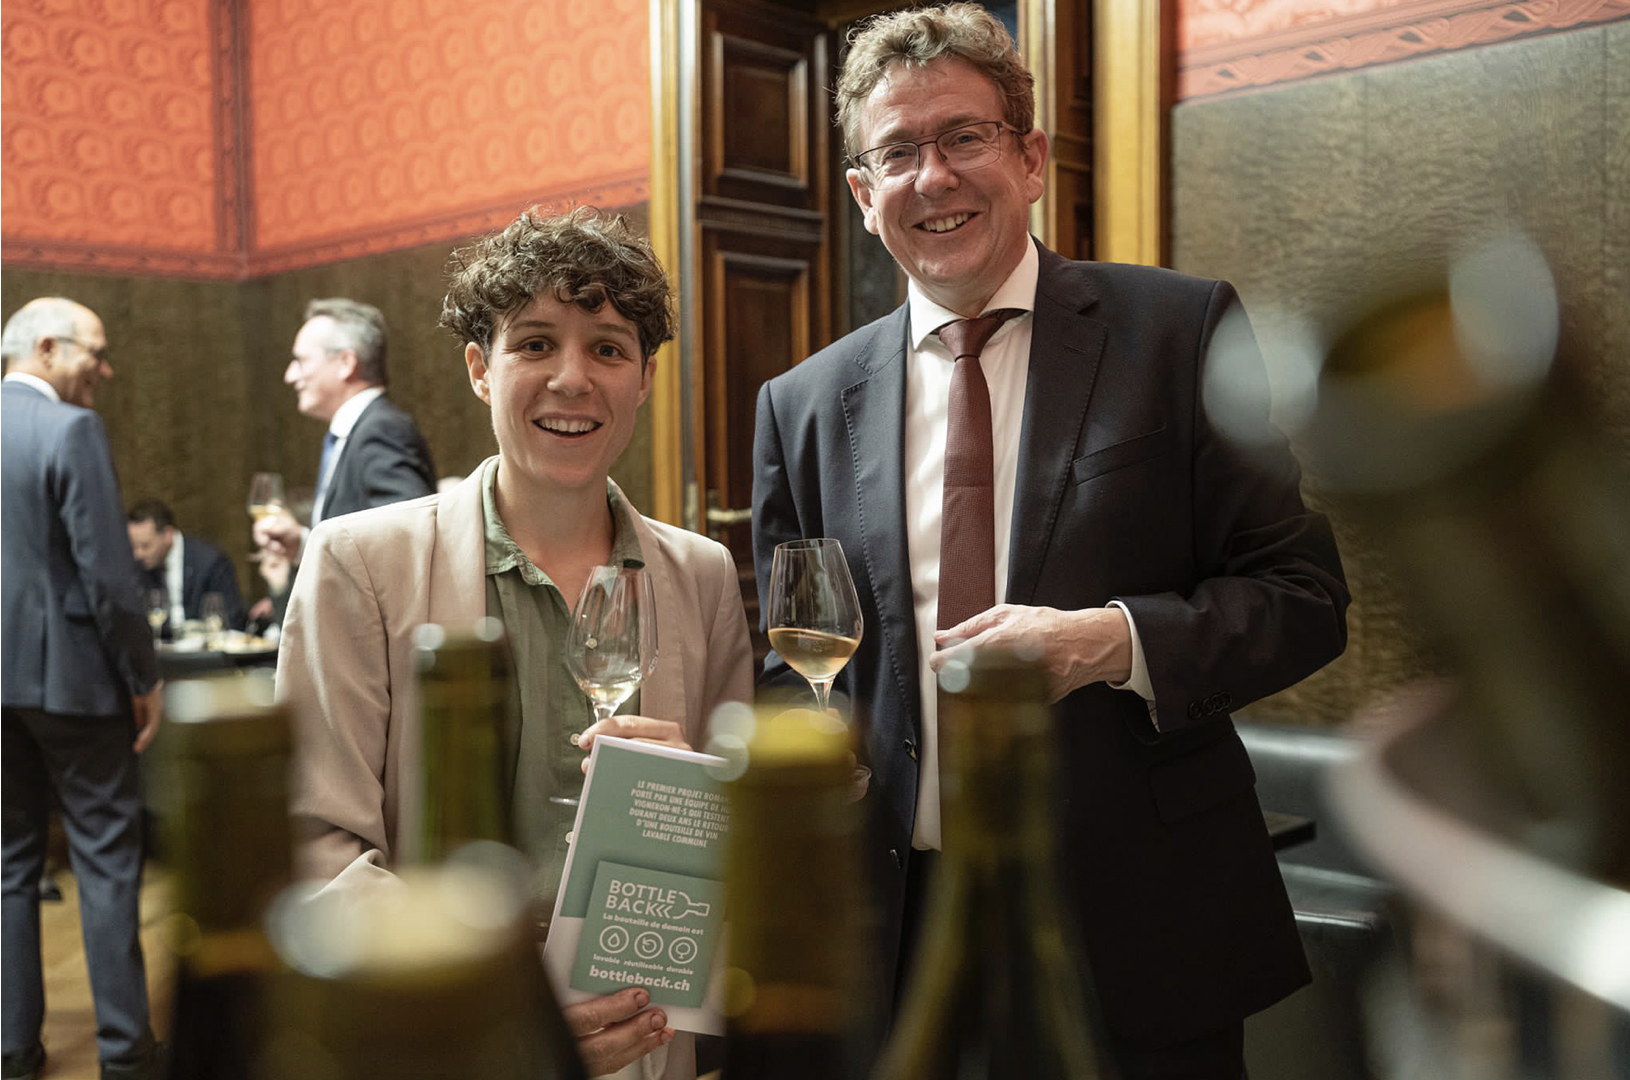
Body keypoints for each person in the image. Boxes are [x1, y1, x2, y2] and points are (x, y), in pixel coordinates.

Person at [750, 6, 1350, 1077]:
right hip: (896, 940)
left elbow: (1302, 596)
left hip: (1138, 932)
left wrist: (1106, 642)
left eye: (963, 138)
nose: (931, 177)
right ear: (860, 194)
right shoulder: (801, 404)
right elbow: (791, 657)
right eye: (897, 152)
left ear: (1030, 158)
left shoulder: (1179, 332)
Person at [276, 208, 754, 1080]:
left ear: (644, 378)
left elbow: (739, 847)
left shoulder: (704, 574)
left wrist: (706, 796)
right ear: (479, 370)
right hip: (443, 1034)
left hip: (642, 1038)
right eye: (535, 344)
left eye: (607, 348)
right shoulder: (359, 563)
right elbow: (313, 848)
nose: (572, 378)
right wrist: (504, 992)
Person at [2, 298, 164, 1080]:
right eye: (94, 353)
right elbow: (109, 577)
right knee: (104, 860)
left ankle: (12, 1048)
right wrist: (143, 675)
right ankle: (127, 1054)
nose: (106, 369)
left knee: (8, 863)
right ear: (44, 346)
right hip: (71, 681)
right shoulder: (71, 431)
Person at [252, 297, 436, 563]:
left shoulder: (381, 429)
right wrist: (303, 544)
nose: (290, 376)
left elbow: (408, 539)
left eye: (301, 361)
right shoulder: (356, 432)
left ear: (346, 363)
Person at [126, 498, 246, 631]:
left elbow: (231, 619)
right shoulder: (138, 566)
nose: (138, 554)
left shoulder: (210, 561)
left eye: (145, 546)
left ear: (168, 535)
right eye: (133, 547)